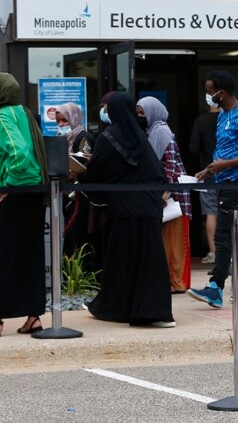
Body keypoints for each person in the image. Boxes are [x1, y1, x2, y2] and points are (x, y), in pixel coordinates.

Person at [78, 92, 175, 327]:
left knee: (122, 261)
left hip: (124, 208)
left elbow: (97, 172)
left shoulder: (109, 136)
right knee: (149, 260)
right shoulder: (140, 136)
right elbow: (155, 172)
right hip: (149, 208)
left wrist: (79, 174)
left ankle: (117, 308)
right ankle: (154, 312)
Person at [187, 70, 238, 308]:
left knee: (223, 235)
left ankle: (216, 287)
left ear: (221, 93)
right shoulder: (223, 115)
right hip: (224, 180)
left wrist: (226, 165)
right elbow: (225, 149)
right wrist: (209, 170)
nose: (208, 95)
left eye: (210, 91)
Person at [0, 72, 48, 337]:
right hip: (33, 193)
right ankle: (34, 316)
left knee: (6, 256)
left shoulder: (5, 114)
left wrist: (10, 186)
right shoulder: (26, 112)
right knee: (31, 255)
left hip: (21, 192)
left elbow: (19, 153)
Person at [137, 96, 192, 293]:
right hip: (163, 194)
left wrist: (165, 191)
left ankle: (176, 283)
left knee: (173, 241)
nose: (140, 117)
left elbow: (171, 164)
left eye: (143, 112)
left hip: (171, 197)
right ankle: (172, 281)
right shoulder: (151, 132)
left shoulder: (161, 131)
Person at [55, 102, 95, 258]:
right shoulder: (63, 139)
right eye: (58, 121)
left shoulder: (83, 138)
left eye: (64, 121)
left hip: (81, 196)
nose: (61, 125)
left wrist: (73, 172)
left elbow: (85, 166)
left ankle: (80, 275)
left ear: (74, 118)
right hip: (68, 193)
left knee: (76, 234)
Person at [189, 97, 221, 265]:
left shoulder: (201, 121)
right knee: (229, 210)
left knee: (210, 211)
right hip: (228, 169)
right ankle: (228, 250)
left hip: (207, 171)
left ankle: (213, 251)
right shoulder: (227, 118)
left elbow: (193, 148)